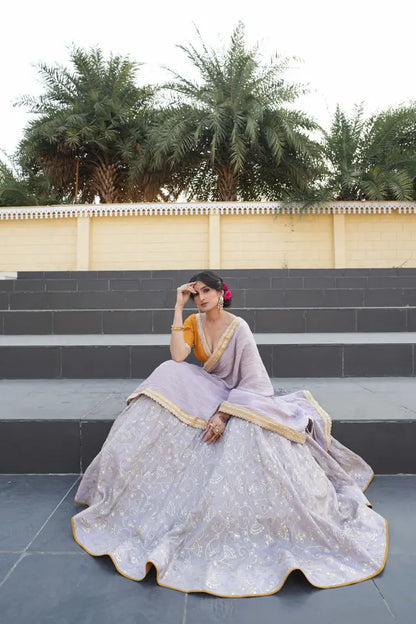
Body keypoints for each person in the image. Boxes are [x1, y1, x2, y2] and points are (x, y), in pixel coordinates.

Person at [71, 271, 388, 597]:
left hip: (242, 395)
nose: (202, 298)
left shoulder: (239, 328)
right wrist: (179, 309)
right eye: (196, 294)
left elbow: (255, 383)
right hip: (212, 388)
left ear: (222, 293)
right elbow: (179, 357)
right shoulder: (194, 322)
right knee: (168, 372)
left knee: (244, 435)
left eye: (207, 291)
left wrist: (224, 414)